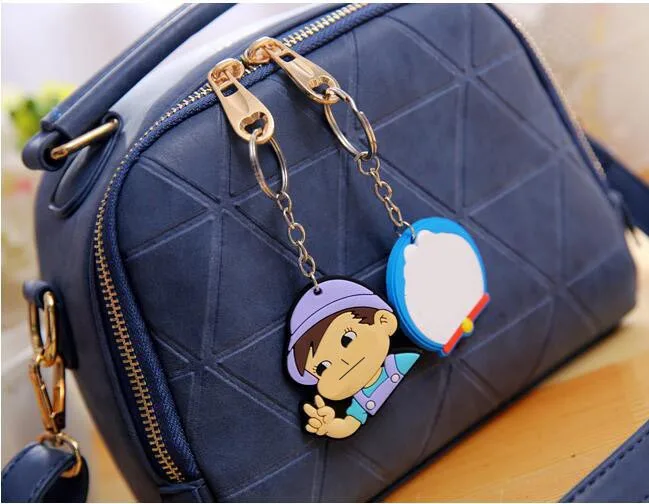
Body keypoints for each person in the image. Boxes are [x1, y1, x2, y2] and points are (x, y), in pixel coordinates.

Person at [286, 278, 420, 439]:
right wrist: (329, 427)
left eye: (347, 339)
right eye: (322, 368)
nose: (342, 361)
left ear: (384, 321)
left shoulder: (404, 360)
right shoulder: (359, 402)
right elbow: (348, 425)